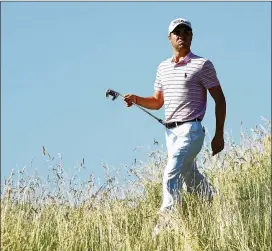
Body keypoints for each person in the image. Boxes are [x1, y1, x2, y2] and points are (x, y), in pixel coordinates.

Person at [124, 18, 226, 213]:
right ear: (169, 37)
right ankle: (216, 205)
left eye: (186, 32)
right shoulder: (163, 68)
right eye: (177, 32)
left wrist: (219, 134)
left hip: (192, 129)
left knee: (171, 171)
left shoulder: (202, 65)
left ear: (192, 36)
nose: (182, 35)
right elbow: (157, 101)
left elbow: (220, 99)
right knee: (189, 176)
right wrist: (137, 99)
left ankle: (167, 221)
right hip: (170, 133)